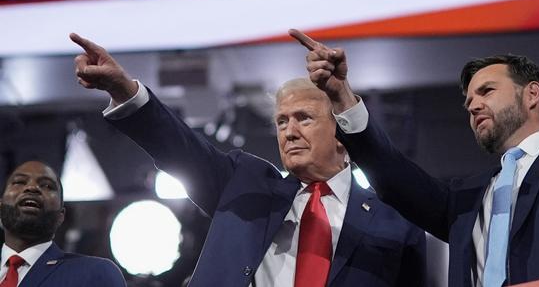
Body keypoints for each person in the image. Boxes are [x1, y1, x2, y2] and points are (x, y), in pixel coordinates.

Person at [289, 29, 539, 287]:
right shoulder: (463, 200)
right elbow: (392, 174)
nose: (473, 104)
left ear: (532, 95)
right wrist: (342, 96)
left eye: (487, 91)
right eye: (468, 101)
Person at [69, 33, 427, 287]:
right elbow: (180, 147)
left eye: (304, 118)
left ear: (342, 132)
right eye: (281, 121)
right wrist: (123, 91)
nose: (288, 131)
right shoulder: (245, 184)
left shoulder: (394, 215)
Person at [0, 160, 126, 287]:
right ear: (0, 207)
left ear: (61, 216)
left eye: (47, 186)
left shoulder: (95, 272)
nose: (32, 188)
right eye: (19, 182)